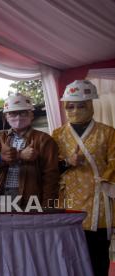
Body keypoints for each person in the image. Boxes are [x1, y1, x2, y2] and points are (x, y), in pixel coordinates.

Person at [52, 80, 115, 276]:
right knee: (70, 256)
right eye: (70, 106)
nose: (76, 109)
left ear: (90, 104)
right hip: (69, 202)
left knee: (98, 257)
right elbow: (51, 167)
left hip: (99, 201)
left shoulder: (108, 132)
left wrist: (105, 181)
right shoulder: (57, 134)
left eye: (81, 105)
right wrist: (68, 162)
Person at [0, 93, 59, 207]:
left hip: (31, 197)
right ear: (6, 117)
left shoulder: (44, 140)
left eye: (23, 112)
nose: (18, 117)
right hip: (2, 194)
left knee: (29, 225)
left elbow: (51, 176)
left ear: (31, 115)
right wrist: (19, 155)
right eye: (13, 113)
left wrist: (48, 206)